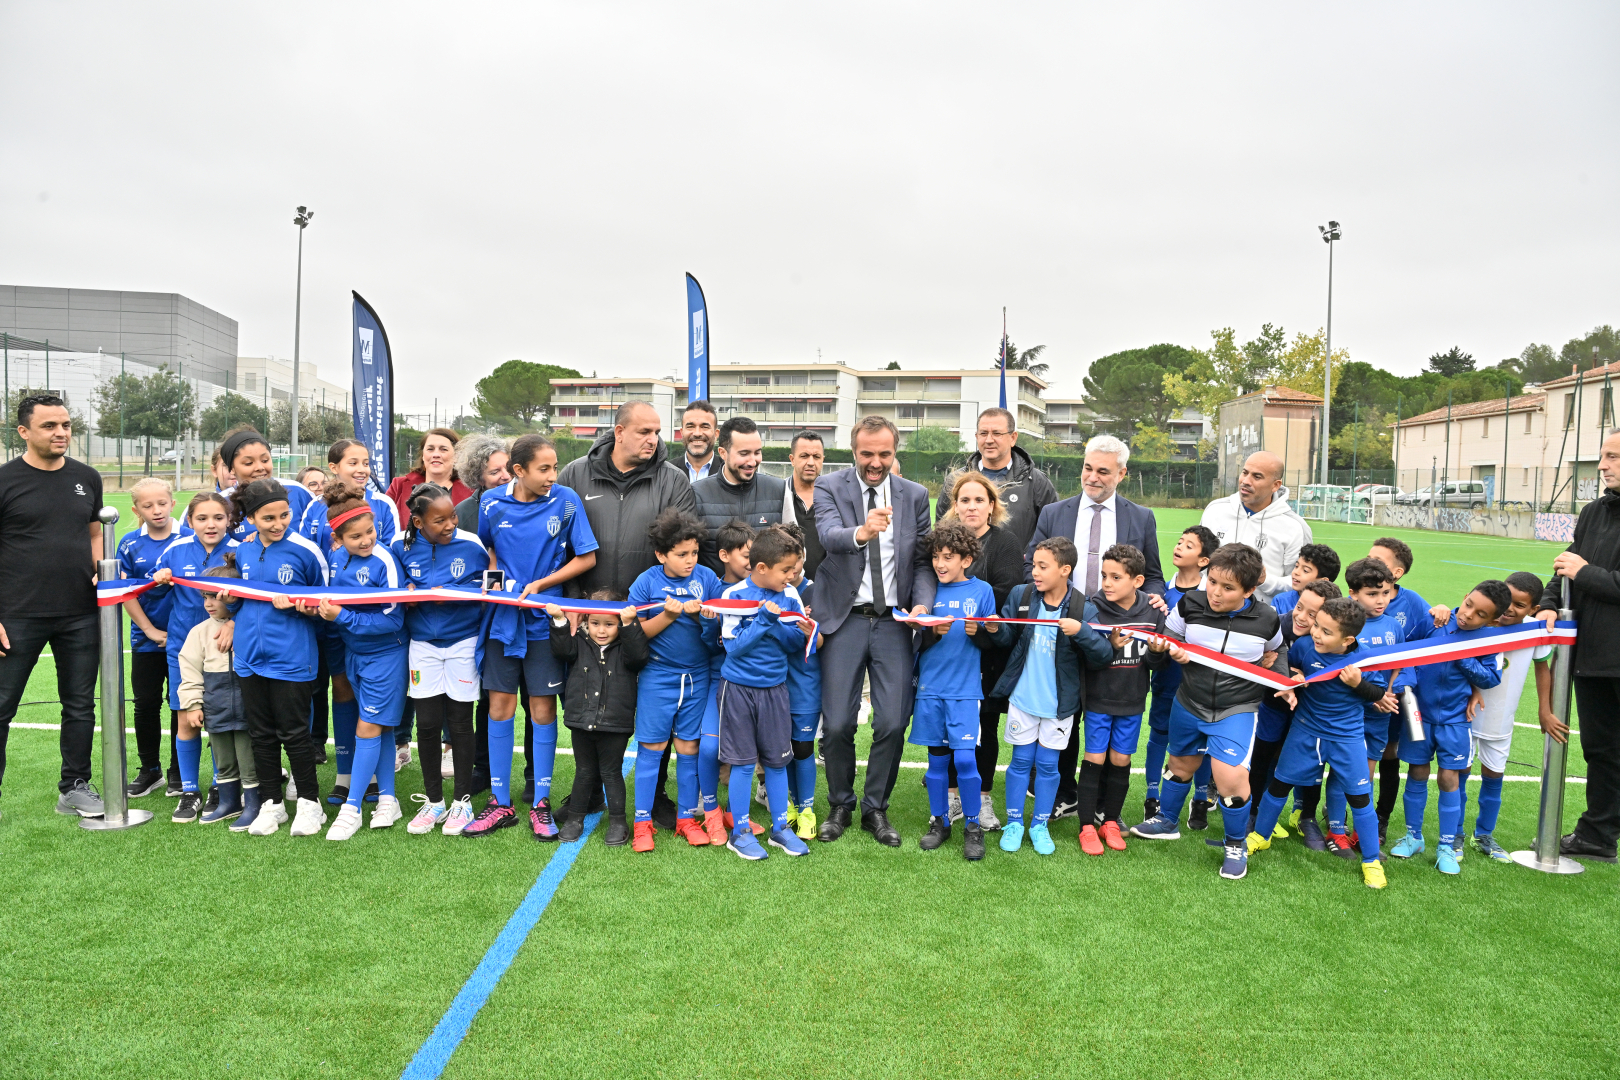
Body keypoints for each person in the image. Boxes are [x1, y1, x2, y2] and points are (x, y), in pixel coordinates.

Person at [811, 415, 936, 847]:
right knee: (840, 722)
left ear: (894, 451)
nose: (876, 462)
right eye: (867, 453)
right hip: (844, 618)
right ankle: (841, 803)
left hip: (893, 622)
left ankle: (875, 808)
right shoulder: (830, 486)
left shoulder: (915, 496)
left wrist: (922, 603)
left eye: (884, 453)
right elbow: (828, 535)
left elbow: (922, 559)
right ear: (854, 451)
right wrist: (863, 532)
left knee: (892, 720)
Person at [1026, 434, 1165, 820]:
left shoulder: (1141, 517)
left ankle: (1106, 805)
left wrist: (1154, 599)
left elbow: (1152, 575)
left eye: (1104, 471)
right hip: (1066, 629)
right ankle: (1063, 793)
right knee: (1065, 710)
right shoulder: (1055, 513)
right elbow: (1032, 567)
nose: (1093, 477)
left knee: (1109, 716)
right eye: (1088, 468)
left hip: (1117, 638)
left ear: (1122, 473)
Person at [469, 434, 598, 840]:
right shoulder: (491, 503)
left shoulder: (567, 500)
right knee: (500, 706)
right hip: (502, 619)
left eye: (554, 467)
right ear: (518, 471)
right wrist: (495, 583)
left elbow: (587, 557)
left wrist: (542, 585)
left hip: (545, 621)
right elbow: (487, 551)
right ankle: (499, 803)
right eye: (543, 468)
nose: (551, 476)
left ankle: (540, 804)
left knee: (542, 709)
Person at [1132, 544, 1286, 882]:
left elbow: (1278, 650)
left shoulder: (1266, 619)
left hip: (1237, 707)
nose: (1215, 592)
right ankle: (1167, 821)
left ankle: (1235, 844)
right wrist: (1165, 651)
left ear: (1249, 590)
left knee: (1230, 778)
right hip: (1188, 701)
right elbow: (1161, 649)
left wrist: (1285, 680)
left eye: (1227, 587)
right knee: (1180, 764)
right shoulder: (1190, 604)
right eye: (1212, 581)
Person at [0, 394, 107, 819]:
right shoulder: (5, 480)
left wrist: (102, 571)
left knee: (80, 704)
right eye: (49, 426)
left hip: (80, 612)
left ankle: (74, 785)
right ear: (24, 432)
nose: (61, 433)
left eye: (65, 425)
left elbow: (95, 533)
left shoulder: (87, 477)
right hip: (16, 615)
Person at [1250, 597, 1392, 890]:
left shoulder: (1364, 660)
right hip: (1305, 731)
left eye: (1327, 631)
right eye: (1317, 625)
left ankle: (1370, 861)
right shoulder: (1303, 647)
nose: (1316, 633)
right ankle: (1260, 837)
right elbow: (1289, 668)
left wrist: (1358, 684)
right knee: (1278, 785)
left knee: (1360, 799)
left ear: (1348, 639)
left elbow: (1378, 694)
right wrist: (1293, 675)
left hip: (1347, 738)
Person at [986, 537, 1114, 855]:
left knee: (1047, 765)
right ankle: (1014, 823)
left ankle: (1039, 825)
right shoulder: (1023, 595)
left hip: (1060, 706)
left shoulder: (1084, 608)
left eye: (1043, 567)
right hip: (1022, 699)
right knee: (1020, 762)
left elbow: (1103, 656)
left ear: (1065, 570)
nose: (1035, 573)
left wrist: (1082, 630)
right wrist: (994, 629)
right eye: (1034, 566)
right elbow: (1008, 639)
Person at [229, 478, 329, 838]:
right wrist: (229, 599)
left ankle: (309, 804)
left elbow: (326, 603)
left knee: (295, 733)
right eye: (268, 518)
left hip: (292, 657)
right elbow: (239, 602)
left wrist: (302, 608)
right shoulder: (242, 550)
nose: (278, 523)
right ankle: (272, 803)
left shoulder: (305, 551)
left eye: (284, 515)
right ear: (251, 519)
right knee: (261, 734)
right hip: (250, 658)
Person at [1389, 582, 1510, 873]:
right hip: (1418, 713)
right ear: (1465, 595)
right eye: (1469, 604)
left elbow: (1491, 678)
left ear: (1492, 621)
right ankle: (1413, 836)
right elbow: (1406, 651)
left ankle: (1445, 845)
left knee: (1448, 778)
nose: (1469, 615)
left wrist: (1462, 655)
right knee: (1417, 771)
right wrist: (1406, 684)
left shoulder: (1489, 640)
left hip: (1456, 721)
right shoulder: (1436, 620)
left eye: (1480, 614)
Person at [313, 483, 410, 841]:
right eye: (355, 536)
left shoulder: (385, 561)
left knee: (367, 727)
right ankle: (388, 798)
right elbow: (328, 602)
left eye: (370, 532)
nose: (366, 540)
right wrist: (320, 609)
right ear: (337, 538)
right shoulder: (335, 561)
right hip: (354, 654)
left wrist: (341, 617)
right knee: (379, 726)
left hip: (387, 654)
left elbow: (394, 619)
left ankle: (352, 807)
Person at [391, 482, 487, 836]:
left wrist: (455, 594)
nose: (449, 525)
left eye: (452, 517)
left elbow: (488, 585)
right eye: (439, 520)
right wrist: (407, 592)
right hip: (422, 646)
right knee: (427, 723)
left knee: (460, 723)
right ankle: (434, 802)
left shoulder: (471, 545)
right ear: (418, 522)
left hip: (463, 642)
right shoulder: (401, 549)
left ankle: (462, 802)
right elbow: (394, 586)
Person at [627, 509, 724, 850]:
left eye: (694, 552)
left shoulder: (708, 579)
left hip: (697, 678)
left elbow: (715, 640)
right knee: (652, 748)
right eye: (682, 554)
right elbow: (635, 635)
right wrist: (668, 615)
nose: (690, 560)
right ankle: (642, 823)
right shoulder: (647, 583)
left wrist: (707, 620)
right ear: (661, 554)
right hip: (657, 676)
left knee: (689, 747)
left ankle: (685, 819)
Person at [717, 525, 813, 861]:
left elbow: (794, 644)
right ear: (761, 569)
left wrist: (786, 628)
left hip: (775, 689)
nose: (792, 575)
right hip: (739, 689)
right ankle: (740, 832)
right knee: (743, 764)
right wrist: (763, 622)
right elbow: (735, 648)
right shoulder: (734, 596)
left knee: (776, 761)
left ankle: (780, 829)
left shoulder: (791, 595)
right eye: (786, 570)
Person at [936, 471, 1024, 829]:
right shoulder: (942, 542)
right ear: (954, 506)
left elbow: (1005, 592)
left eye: (979, 500)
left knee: (982, 724)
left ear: (992, 506)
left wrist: (973, 613)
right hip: (947, 651)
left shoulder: (1005, 543)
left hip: (987, 650)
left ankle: (984, 798)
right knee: (948, 728)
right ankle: (953, 797)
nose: (971, 506)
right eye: (964, 500)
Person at [149, 494, 241, 813]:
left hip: (226, 649)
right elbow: (153, 585)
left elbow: (254, 600)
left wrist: (235, 624)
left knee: (223, 718)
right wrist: (158, 579)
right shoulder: (175, 550)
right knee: (186, 716)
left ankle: (221, 784)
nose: (210, 524)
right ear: (189, 522)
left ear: (228, 519)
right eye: (201, 518)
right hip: (184, 650)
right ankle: (189, 790)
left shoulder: (241, 551)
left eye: (218, 517)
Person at [911, 520, 997, 861]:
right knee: (935, 763)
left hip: (965, 691)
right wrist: (932, 632)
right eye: (936, 556)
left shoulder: (982, 591)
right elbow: (915, 639)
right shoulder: (927, 592)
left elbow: (995, 635)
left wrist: (985, 631)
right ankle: (939, 822)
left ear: (966, 559)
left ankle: (973, 826)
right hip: (931, 689)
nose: (940, 564)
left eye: (948, 556)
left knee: (965, 759)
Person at [1078, 543, 1169, 855]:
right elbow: (1087, 660)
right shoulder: (1092, 608)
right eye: (1104, 576)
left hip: (1131, 701)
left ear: (1138, 581)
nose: (1107, 583)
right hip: (1099, 700)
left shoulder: (1153, 611)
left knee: (1121, 761)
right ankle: (1086, 825)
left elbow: (1156, 665)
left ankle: (1111, 821)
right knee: (1095, 759)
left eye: (1116, 577)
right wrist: (1111, 647)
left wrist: (1158, 655)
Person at [557, 400, 699, 598]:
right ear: (619, 432)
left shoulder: (675, 481)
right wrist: (572, 598)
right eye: (644, 432)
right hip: (586, 611)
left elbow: (683, 549)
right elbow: (557, 546)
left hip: (647, 612)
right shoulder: (573, 474)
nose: (653, 440)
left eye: (656, 433)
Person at [547, 593, 649, 846]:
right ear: (585, 621)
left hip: (615, 723)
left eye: (609, 624)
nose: (601, 630)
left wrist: (631, 625)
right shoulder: (579, 641)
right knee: (583, 771)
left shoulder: (627, 645)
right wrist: (559, 619)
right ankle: (575, 819)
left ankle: (618, 821)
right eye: (595, 623)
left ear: (619, 623)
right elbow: (562, 651)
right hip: (582, 720)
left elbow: (639, 658)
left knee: (611, 772)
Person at [1466, 572, 1554, 862]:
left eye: (1519, 604)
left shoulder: (1535, 631)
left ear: (1533, 609)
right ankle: (1453, 835)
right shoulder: (1482, 621)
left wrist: (1545, 710)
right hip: (1465, 715)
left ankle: (1484, 835)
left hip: (1501, 719)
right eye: (1507, 599)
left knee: (1494, 777)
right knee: (1458, 775)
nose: (1509, 609)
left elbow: (1543, 669)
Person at [1249, 577, 1340, 849]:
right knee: (1264, 756)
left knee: (1311, 762)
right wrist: (1277, 667)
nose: (1301, 617)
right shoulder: (1277, 623)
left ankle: (1306, 816)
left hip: (1311, 713)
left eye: (1312, 615)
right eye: (1300, 607)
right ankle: (1254, 812)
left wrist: (1303, 675)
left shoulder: (1332, 636)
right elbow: (1258, 656)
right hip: (1273, 705)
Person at [1326, 556, 1406, 853]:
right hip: (1350, 714)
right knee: (1341, 771)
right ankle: (1336, 829)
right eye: (1372, 594)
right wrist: (1372, 694)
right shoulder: (1347, 626)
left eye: (1386, 592)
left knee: (1365, 774)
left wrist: (1389, 692)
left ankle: (1362, 830)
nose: (1381, 600)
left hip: (1379, 715)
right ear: (1353, 594)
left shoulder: (1393, 627)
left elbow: (1397, 666)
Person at [1366, 536, 1443, 830]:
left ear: (1396, 573)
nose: (1370, 562)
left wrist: (1441, 611)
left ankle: (1380, 818)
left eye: (1379, 560)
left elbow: (1436, 629)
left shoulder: (1411, 602)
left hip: (1397, 694)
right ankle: (1338, 816)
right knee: (1352, 751)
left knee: (1389, 752)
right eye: (1369, 556)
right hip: (1359, 692)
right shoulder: (1356, 597)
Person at [1143, 526, 1219, 826]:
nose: (1179, 547)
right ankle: (1152, 795)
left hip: (1199, 684)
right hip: (1166, 678)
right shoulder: (1160, 591)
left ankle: (1200, 798)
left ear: (1203, 560)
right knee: (1159, 734)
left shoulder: (1211, 595)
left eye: (1189, 545)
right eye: (1179, 541)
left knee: (1201, 741)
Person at [175, 563, 256, 827]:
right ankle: (228, 802)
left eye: (215, 596)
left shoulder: (249, 625)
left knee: (249, 760)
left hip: (248, 710)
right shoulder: (198, 633)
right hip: (216, 709)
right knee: (224, 762)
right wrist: (194, 705)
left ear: (234, 595)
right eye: (205, 597)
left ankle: (254, 804)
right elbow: (190, 673)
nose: (209, 603)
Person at [118, 477, 181, 800]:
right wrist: (150, 630)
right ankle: (150, 769)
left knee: (180, 704)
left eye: (161, 503)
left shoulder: (188, 540)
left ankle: (178, 771)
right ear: (136, 510)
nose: (156, 510)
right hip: (147, 640)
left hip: (185, 641)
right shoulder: (129, 544)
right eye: (147, 505)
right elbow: (125, 592)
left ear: (173, 503)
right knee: (145, 704)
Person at [935, 406, 1058, 548]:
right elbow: (941, 531)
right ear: (976, 437)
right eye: (983, 433)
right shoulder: (955, 481)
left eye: (997, 433)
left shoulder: (1037, 482)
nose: (989, 440)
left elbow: (1053, 533)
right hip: (967, 569)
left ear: (1013, 438)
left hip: (1019, 569)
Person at [1199, 451, 1312, 602]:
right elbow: (1198, 562)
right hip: (1209, 608)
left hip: (1260, 618)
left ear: (1275, 485)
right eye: (1245, 473)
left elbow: (1301, 583)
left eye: (1257, 476)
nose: (1246, 481)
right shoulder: (1215, 510)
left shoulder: (1295, 527)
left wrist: (1265, 580)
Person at [692, 416, 786, 573]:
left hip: (765, 595)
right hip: (716, 595)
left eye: (757, 453)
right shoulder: (697, 493)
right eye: (744, 453)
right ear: (723, 453)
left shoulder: (779, 489)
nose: (752, 461)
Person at [780, 523, 822, 841]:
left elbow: (823, 642)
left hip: (805, 684)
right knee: (783, 751)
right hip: (774, 686)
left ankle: (806, 810)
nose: (790, 570)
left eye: (795, 563)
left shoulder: (815, 590)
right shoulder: (766, 593)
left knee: (803, 748)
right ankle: (789, 808)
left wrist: (811, 633)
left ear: (803, 557)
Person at [385, 427, 473, 525]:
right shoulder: (399, 485)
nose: (436, 454)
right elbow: (381, 521)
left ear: (456, 456)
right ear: (423, 455)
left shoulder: (471, 489)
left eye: (443, 449)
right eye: (430, 449)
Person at [782, 430, 826, 579]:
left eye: (816, 457)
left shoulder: (835, 497)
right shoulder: (778, 494)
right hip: (785, 586)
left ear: (823, 459)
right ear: (792, 459)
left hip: (826, 588)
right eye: (804, 456)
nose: (811, 462)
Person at [452, 434, 510, 535]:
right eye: (495, 472)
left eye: (509, 468)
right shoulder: (464, 513)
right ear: (479, 479)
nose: (506, 476)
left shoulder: (531, 502)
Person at [1270, 543, 1342, 617]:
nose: (1296, 572)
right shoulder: (1280, 601)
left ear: (1323, 581)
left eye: (1305, 570)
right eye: (1296, 566)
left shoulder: (1334, 608)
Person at [678, 400, 719, 482]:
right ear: (682, 433)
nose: (697, 433)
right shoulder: (666, 472)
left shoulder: (728, 472)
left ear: (716, 434)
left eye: (705, 427)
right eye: (690, 426)